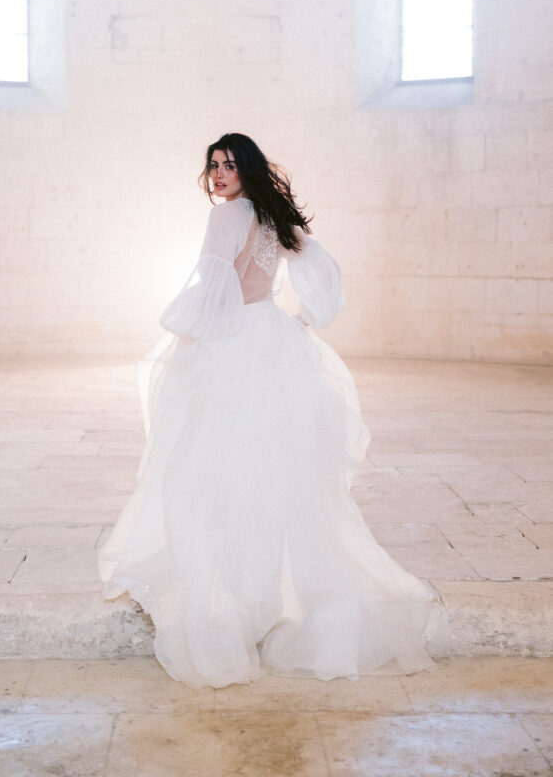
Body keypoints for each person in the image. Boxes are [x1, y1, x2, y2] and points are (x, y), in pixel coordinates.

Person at [99, 133, 435, 689]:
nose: (220, 175)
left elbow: (213, 287)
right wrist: (310, 315)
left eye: (229, 165)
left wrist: (186, 337)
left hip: (233, 343)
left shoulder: (229, 216)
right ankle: (262, 598)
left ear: (246, 169)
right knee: (270, 478)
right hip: (274, 340)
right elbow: (320, 268)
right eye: (213, 166)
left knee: (212, 477)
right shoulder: (275, 216)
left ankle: (230, 609)